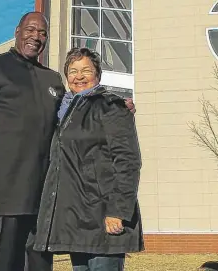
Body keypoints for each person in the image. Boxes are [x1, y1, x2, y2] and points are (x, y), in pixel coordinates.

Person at [0, 12, 135, 271]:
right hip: (1, 199)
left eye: (42, 33)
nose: (36, 37)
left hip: (43, 204)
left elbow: (78, 113)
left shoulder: (53, 80)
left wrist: (115, 104)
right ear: (17, 31)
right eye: (30, 30)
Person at [33, 48, 144, 271]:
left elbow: (128, 161)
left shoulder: (110, 107)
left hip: (103, 217)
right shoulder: (64, 112)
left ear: (98, 75)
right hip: (77, 220)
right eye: (73, 71)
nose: (79, 76)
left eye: (86, 70)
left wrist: (118, 211)